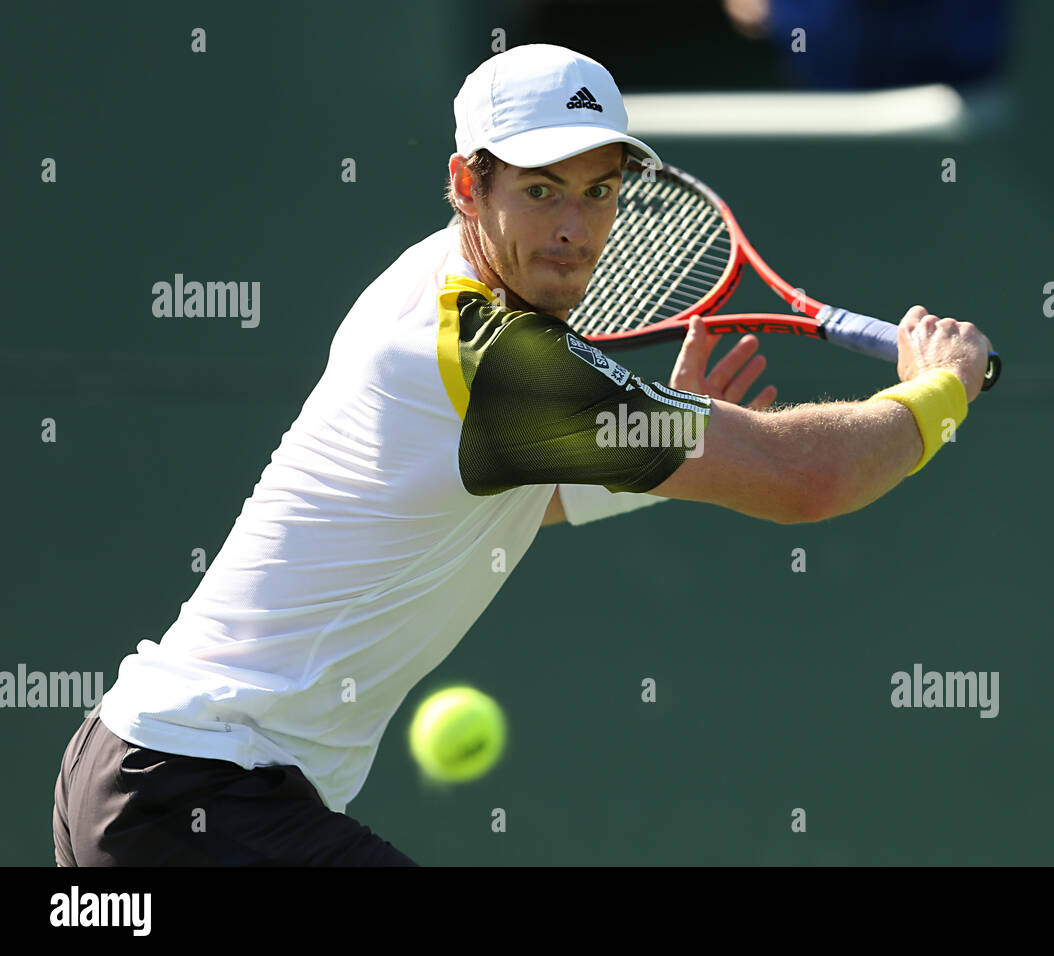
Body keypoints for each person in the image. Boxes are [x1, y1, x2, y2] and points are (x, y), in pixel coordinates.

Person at [53, 44, 991, 866]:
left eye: (598, 192)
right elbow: (807, 482)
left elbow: (507, 498)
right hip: (192, 797)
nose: (575, 230)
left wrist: (660, 450)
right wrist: (936, 390)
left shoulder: (443, 287)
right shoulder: (488, 354)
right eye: (541, 191)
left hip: (157, 783)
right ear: (469, 184)